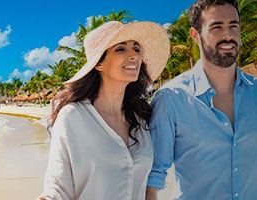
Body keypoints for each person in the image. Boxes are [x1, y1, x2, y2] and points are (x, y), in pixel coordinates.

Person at [145, 0, 257, 199]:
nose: (228, 35)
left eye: (233, 26)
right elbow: (153, 176)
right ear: (195, 35)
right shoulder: (170, 99)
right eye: (217, 27)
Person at [38, 20, 170, 199]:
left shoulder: (141, 120)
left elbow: (147, 187)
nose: (133, 56)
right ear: (99, 64)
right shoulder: (73, 116)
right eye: (121, 49)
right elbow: (57, 187)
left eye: (136, 49)